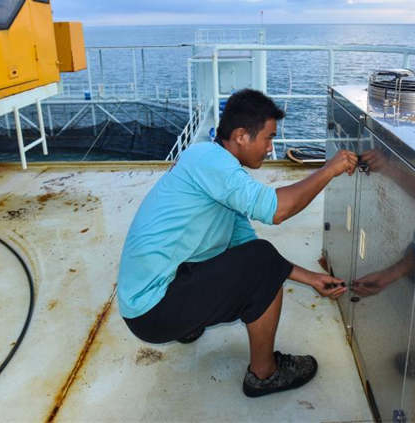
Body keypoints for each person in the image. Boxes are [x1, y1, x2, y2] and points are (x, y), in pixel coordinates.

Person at [117, 89, 357, 397]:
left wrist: (311, 279)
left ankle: (188, 322)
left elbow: (246, 247)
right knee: (260, 261)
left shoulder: (210, 164)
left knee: (255, 257)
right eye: (268, 138)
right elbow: (277, 212)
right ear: (242, 136)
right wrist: (329, 170)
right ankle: (265, 374)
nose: (271, 149)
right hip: (151, 311)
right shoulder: (212, 163)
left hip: (147, 297)